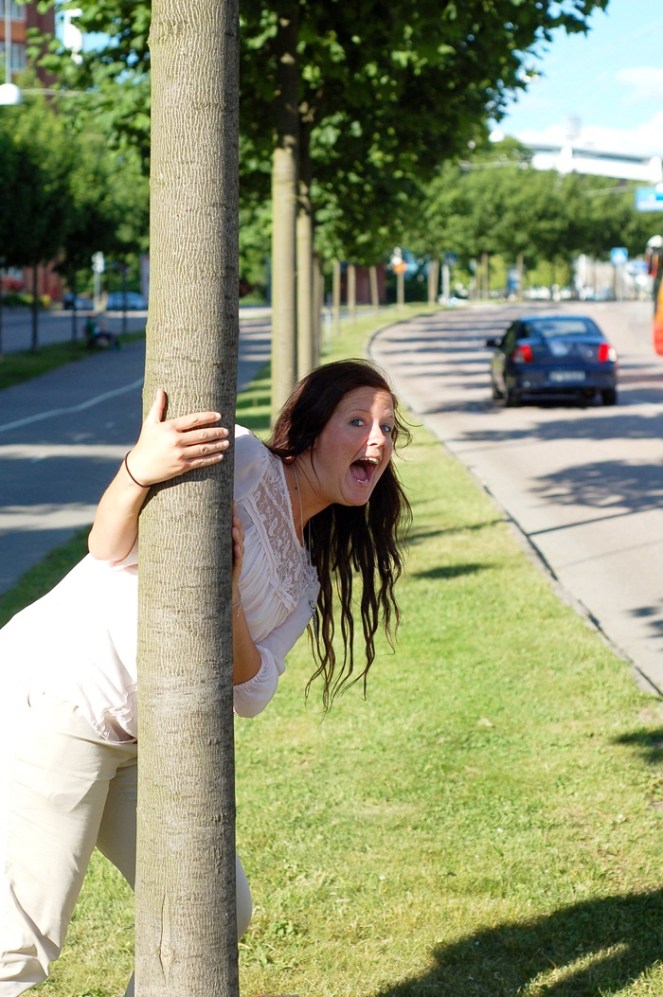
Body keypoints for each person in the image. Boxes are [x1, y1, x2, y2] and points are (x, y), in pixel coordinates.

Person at [0, 358, 412, 996]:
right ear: (311, 426)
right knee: (21, 943)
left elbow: (251, 691)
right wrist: (139, 469)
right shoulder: (242, 459)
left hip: (143, 744)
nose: (377, 441)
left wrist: (231, 594)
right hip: (60, 697)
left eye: (387, 428)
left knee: (215, 913)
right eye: (357, 421)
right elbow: (107, 546)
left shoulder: (303, 578)